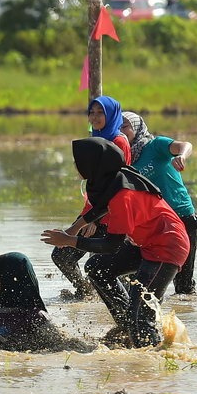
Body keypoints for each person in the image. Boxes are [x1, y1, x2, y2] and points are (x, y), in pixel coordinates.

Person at [41, 137, 189, 348]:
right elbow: (102, 206)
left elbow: (111, 245)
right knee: (97, 268)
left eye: (79, 161)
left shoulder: (122, 195)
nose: (76, 165)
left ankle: (152, 358)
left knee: (141, 312)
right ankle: (127, 325)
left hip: (167, 246)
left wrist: (70, 240)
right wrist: (75, 228)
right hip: (148, 242)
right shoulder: (114, 179)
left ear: (93, 164)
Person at [51, 95, 132, 301]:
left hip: (109, 213)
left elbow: (115, 185)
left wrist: (94, 220)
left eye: (100, 113)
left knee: (105, 265)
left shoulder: (118, 141)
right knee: (62, 255)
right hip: (92, 208)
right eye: (91, 112)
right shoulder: (97, 137)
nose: (94, 117)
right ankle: (86, 291)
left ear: (111, 115)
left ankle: (121, 303)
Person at [121, 111, 197, 294]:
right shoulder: (124, 158)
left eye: (125, 126)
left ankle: (186, 308)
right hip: (155, 223)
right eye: (117, 128)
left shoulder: (155, 145)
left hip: (182, 215)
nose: (121, 131)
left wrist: (181, 156)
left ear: (137, 128)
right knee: (142, 279)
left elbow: (186, 145)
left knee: (183, 286)